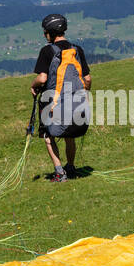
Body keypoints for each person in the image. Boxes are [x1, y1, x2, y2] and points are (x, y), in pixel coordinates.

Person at [30, 13, 91, 182]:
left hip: (54, 103)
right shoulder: (77, 50)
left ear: (50, 32)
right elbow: (87, 79)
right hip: (78, 104)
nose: (44, 35)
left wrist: (33, 86)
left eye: (45, 32)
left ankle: (59, 172)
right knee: (69, 135)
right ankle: (70, 167)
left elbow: (42, 78)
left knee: (48, 136)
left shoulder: (47, 51)